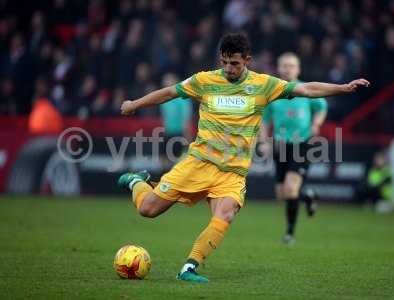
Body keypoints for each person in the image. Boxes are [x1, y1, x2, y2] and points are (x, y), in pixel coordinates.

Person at [118, 33, 369, 283]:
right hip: (199, 162)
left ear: (247, 60)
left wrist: (343, 88)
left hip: (233, 172)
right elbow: (169, 93)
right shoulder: (204, 80)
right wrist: (135, 104)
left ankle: (189, 268)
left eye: (235, 63)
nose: (229, 68)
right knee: (147, 209)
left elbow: (307, 88)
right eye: (225, 62)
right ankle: (136, 182)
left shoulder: (264, 85)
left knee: (224, 215)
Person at [259, 52, 328, 245]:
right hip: (280, 146)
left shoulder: (305, 90)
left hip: (302, 143)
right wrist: (263, 142)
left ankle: (289, 234)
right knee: (282, 194)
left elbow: (322, 106)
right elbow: (264, 121)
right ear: (278, 69)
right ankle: (308, 196)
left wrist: (316, 123)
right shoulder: (272, 94)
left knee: (290, 189)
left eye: (291, 66)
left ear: (298, 69)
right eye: (284, 65)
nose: (287, 69)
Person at [159, 73, 193, 169]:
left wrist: (188, 136)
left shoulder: (183, 98)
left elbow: (186, 119)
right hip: (168, 134)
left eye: (169, 80)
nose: (166, 82)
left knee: (178, 164)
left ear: (175, 82)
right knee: (164, 163)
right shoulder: (163, 100)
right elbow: (165, 119)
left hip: (180, 134)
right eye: (165, 80)